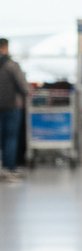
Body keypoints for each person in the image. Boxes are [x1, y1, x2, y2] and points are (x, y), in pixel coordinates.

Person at [0, 37, 30, 184]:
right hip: (11, 106)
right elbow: (24, 87)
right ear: (5, 47)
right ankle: (9, 168)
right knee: (10, 138)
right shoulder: (11, 65)